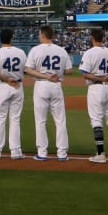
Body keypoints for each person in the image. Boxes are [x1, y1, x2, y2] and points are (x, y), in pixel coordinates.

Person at [24, 25, 72, 161]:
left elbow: (28, 70)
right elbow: (69, 70)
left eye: (40, 34)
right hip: (56, 85)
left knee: (40, 121)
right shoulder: (61, 51)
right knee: (60, 120)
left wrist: (45, 76)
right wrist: (58, 73)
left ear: (43, 35)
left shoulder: (36, 50)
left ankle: (42, 152)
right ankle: (62, 153)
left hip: (41, 85)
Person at [79, 28, 108, 164]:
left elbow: (85, 74)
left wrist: (101, 77)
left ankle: (100, 154)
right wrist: (106, 77)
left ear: (92, 38)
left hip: (96, 88)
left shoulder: (90, 53)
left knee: (96, 120)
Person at [0, 29, 26, 160]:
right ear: (11, 38)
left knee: (0, 119)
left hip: (3, 86)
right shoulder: (20, 52)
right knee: (15, 119)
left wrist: (6, 79)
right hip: (17, 86)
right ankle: (16, 151)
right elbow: (25, 70)